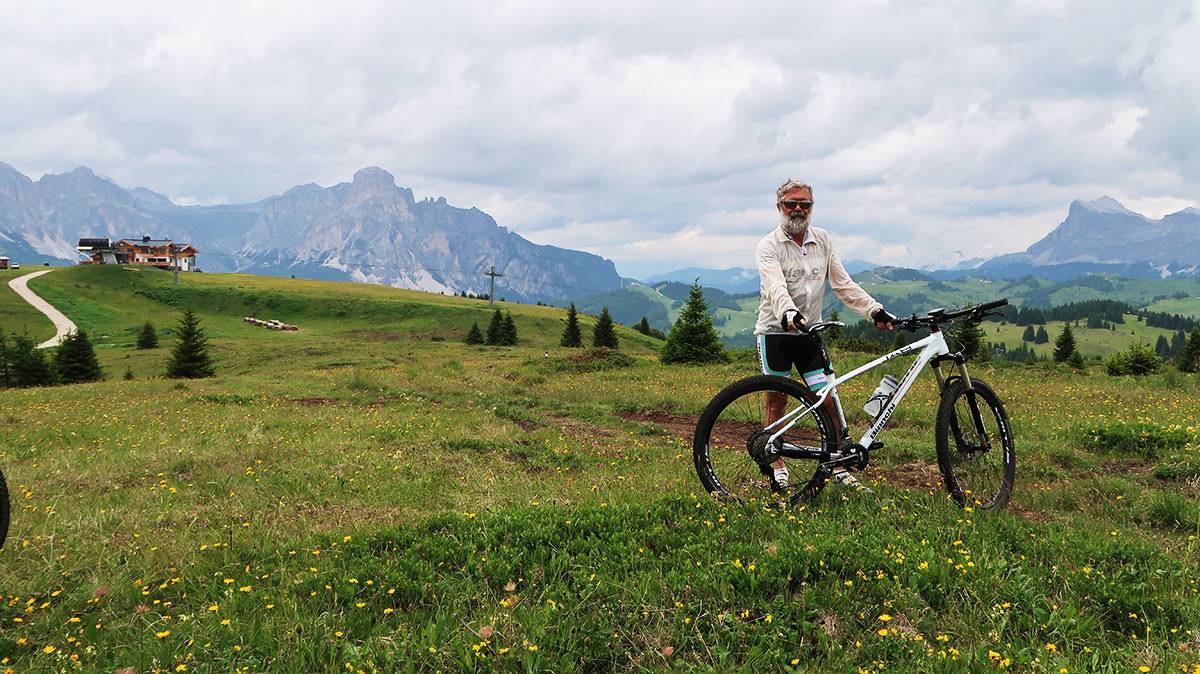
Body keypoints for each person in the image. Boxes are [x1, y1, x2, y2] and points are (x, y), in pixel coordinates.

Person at [755, 178, 895, 492]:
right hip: (776, 333)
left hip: (809, 335)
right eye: (791, 203)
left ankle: (839, 466)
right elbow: (774, 286)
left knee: (827, 399)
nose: (798, 209)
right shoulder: (768, 246)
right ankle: (776, 462)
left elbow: (842, 283)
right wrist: (789, 313)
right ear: (779, 207)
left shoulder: (823, 240)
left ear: (811, 207)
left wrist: (874, 310)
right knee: (776, 401)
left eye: (804, 203)